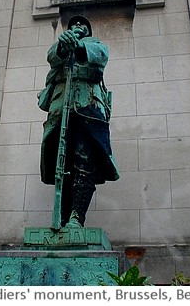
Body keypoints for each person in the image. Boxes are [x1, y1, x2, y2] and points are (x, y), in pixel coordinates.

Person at [39, 15, 119, 228]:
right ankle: (62, 217)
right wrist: (64, 47)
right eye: (74, 24)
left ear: (88, 31)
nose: (77, 26)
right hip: (60, 111)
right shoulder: (60, 45)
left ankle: (76, 218)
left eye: (83, 24)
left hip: (87, 108)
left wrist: (79, 46)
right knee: (61, 164)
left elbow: (101, 57)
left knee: (84, 161)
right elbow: (51, 57)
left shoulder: (95, 44)